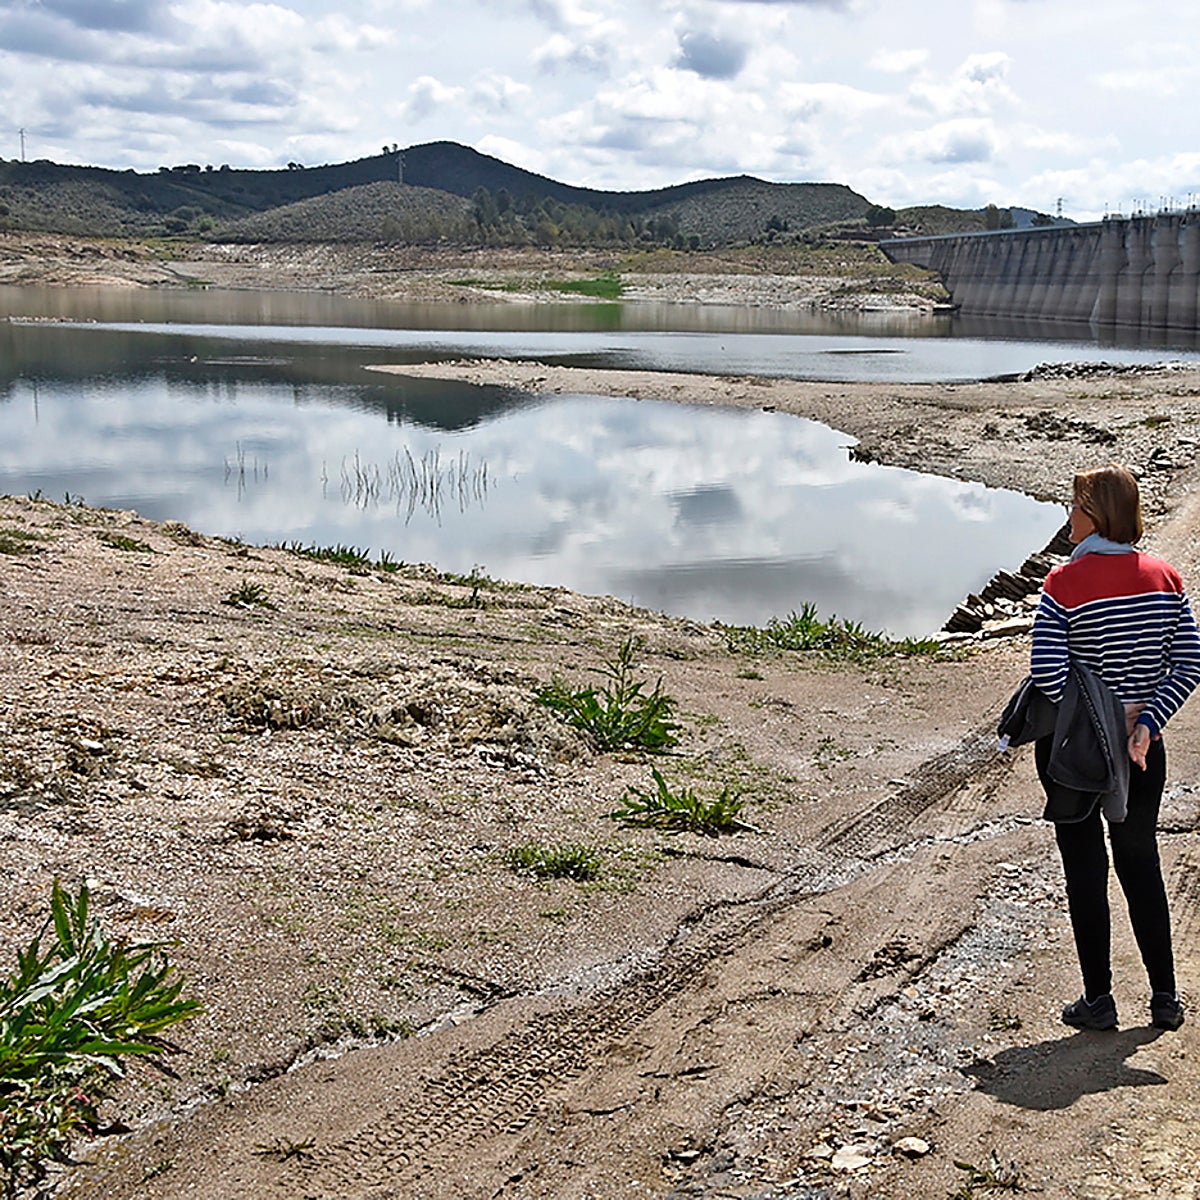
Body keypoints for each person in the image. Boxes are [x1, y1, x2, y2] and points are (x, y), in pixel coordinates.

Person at [1030, 463, 1200, 1031]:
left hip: (1075, 750)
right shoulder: (1166, 578)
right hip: (1140, 748)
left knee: (1084, 866)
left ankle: (1098, 999)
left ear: (1094, 514)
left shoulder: (1062, 584)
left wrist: (1088, 703)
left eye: (1074, 506)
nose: (1069, 516)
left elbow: (1048, 675)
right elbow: (1189, 663)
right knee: (1139, 859)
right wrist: (1147, 721)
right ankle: (1164, 997)